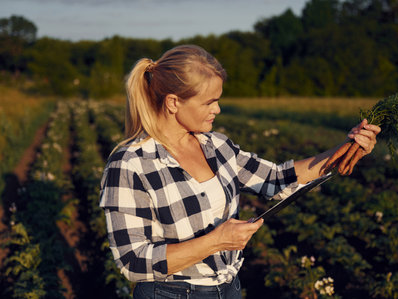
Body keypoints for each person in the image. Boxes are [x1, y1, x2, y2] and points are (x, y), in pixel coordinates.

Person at [99, 44, 380, 299]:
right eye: (209, 102)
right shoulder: (129, 164)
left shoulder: (217, 146)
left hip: (229, 288)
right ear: (173, 102)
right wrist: (215, 242)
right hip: (169, 293)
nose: (218, 109)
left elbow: (276, 179)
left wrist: (345, 148)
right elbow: (133, 262)